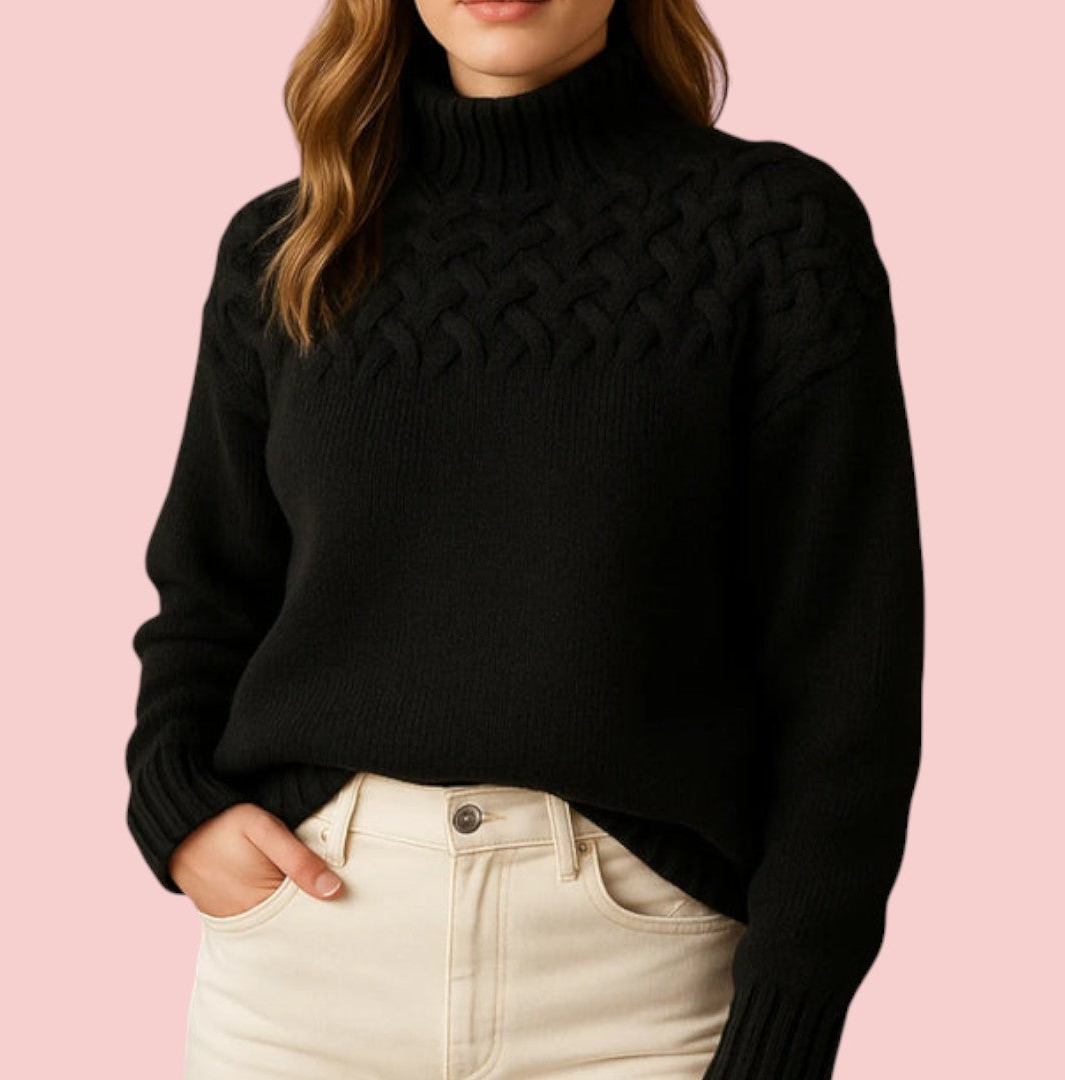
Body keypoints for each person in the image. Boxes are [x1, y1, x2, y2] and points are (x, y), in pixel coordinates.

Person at [125, 1, 924, 1077]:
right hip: (304, 975)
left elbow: (849, 669)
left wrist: (790, 1019)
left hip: (642, 992)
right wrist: (176, 808)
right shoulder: (290, 242)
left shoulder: (772, 231)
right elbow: (207, 590)